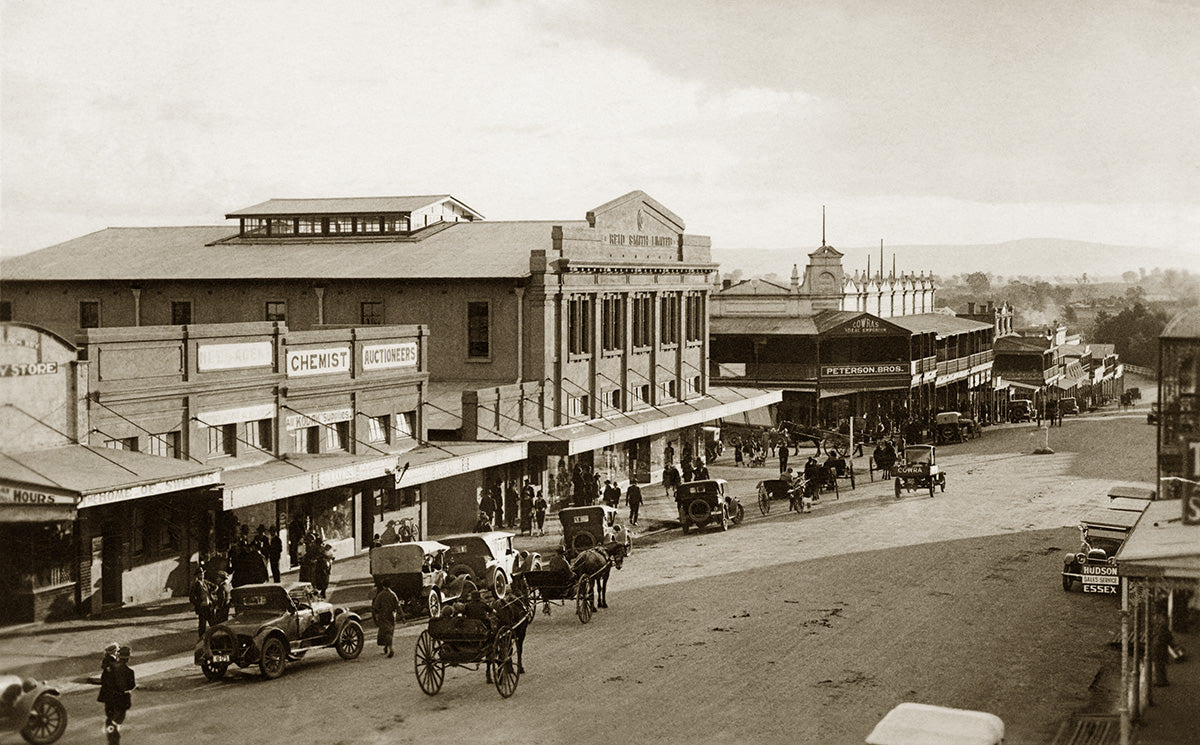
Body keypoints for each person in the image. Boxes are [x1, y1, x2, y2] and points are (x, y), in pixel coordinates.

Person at [98, 644, 135, 745]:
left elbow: (104, 680)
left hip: (109, 698)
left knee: (110, 718)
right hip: (121, 700)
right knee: (117, 720)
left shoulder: (110, 667)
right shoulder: (129, 672)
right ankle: (113, 738)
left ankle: (111, 735)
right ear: (128, 658)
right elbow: (130, 686)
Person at [371, 582, 400, 658]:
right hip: (392, 616)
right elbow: (398, 606)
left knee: (386, 632)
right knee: (390, 632)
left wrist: (376, 615)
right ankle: (386, 647)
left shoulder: (381, 595)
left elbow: (376, 606)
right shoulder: (393, 594)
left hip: (383, 616)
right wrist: (402, 616)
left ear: (383, 586)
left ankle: (391, 649)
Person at [190, 563, 214, 638]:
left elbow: (215, 586)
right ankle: (201, 638)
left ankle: (214, 636)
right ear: (197, 576)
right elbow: (191, 598)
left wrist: (211, 594)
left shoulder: (205, 582)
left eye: (202, 574)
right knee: (202, 624)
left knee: (212, 623)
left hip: (208, 605)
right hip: (202, 607)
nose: (202, 575)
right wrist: (199, 603)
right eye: (200, 574)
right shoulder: (196, 585)